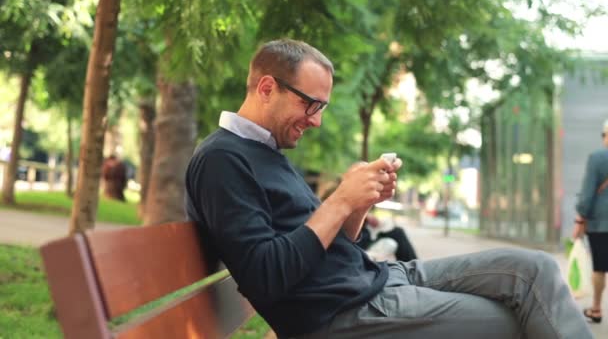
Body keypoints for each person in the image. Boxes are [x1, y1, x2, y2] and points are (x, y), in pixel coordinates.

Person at [185, 39, 591, 338]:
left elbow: (322, 244)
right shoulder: (223, 160)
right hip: (344, 312)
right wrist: (341, 198)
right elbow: (266, 276)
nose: (316, 121)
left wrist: (358, 203)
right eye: (311, 104)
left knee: (534, 270)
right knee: (518, 321)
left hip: (376, 280)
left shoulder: (265, 150)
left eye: (321, 108)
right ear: (268, 88)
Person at [573, 119, 608, 324]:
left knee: (600, 267)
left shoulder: (597, 158)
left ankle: (596, 308)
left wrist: (580, 216)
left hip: (601, 223)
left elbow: (587, 194)